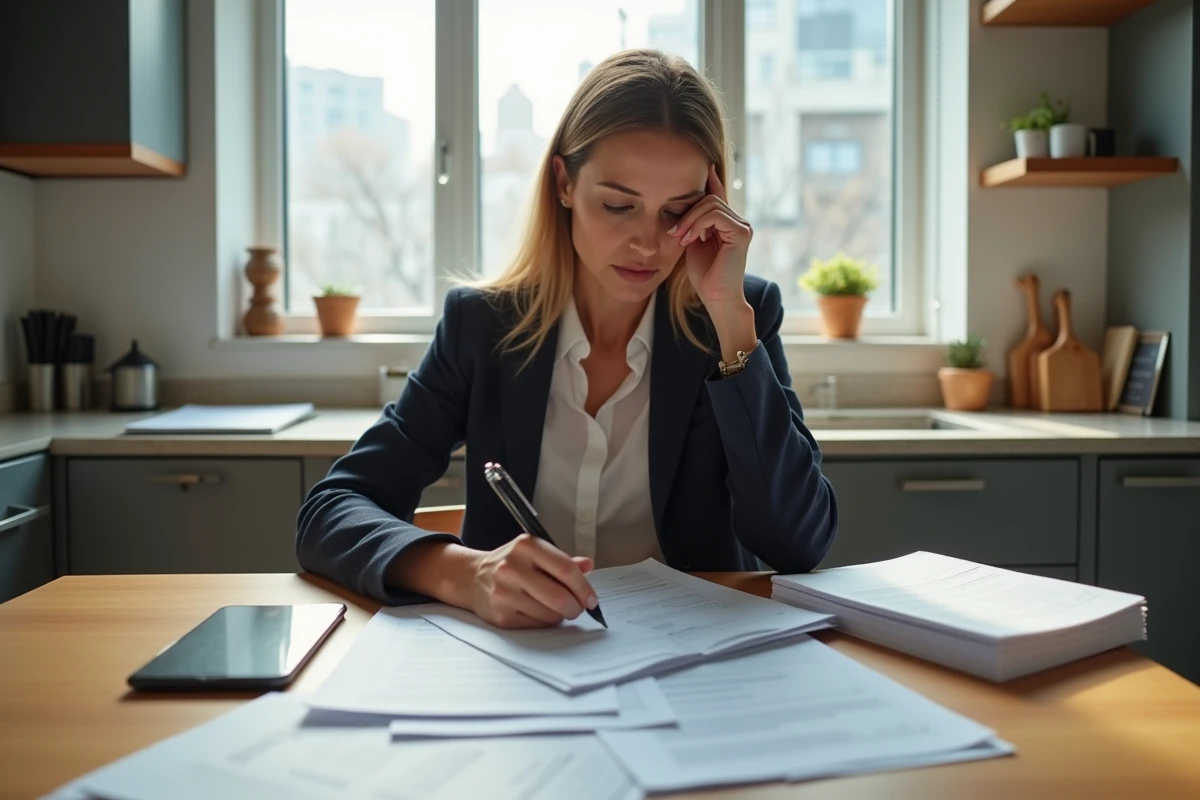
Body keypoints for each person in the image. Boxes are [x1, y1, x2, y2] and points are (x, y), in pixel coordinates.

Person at [297, 48, 838, 628]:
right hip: (521, 656)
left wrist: (730, 317)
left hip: (694, 657)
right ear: (564, 182)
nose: (647, 244)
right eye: (618, 206)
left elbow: (798, 543)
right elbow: (332, 511)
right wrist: (466, 573)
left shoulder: (739, 318)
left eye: (676, 213)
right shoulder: (482, 325)